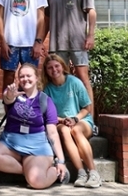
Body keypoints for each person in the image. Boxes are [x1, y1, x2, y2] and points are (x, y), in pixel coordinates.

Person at [0, 63, 69, 189]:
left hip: (36, 148)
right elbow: (7, 98)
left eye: (28, 76)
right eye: (21, 76)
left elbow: (52, 133)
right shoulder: (12, 92)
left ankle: (56, 172)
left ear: (36, 78)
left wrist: (61, 161)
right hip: (10, 145)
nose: (25, 79)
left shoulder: (45, 100)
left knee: (36, 181)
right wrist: (10, 96)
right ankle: (27, 170)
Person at [44, 0, 96, 116]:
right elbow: (46, 19)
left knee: (83, 78)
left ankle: (90, 120)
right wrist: (39, 41)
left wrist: (91, 35)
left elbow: (91, 12)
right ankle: (65, 116)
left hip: (78, 42)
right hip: (57, 44)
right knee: (60, 81)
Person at [42, 54, 102, 188]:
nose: (54, 70)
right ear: (46, 71)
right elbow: (47, 114)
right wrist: (62, 120)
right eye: (50, 68)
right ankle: (81, 173)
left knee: (76, 130)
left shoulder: (74, 82)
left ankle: (93, 173)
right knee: (64, 130)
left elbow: (87, 107)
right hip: (60, 123)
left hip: (81, 119)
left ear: (63, 67)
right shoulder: (47, 90)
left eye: (56, 66)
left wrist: (75, 119)